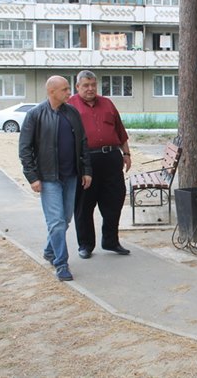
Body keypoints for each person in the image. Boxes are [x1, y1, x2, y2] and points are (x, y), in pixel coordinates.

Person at [19, 76, 92, 281]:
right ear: (52, 92)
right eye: (65, 89)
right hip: (48, 177)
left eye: (69, 89)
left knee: (65, 219)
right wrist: (32, 177)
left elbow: (83, 142)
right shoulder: (35, 115)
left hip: (71, 176)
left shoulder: (72, 113)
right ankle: (61, 264)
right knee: (56, 222)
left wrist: (86, 170)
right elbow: (25, 149)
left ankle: (49, 250)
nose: (69, 93)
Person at [68, 70, 132, 259]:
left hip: (111, 158)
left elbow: (120, 131)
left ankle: (111, 240)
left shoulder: (107, 103)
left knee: (115, 200)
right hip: (85, 161)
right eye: (86, 85)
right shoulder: (70, 106)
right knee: (84, 204)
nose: (90, 89)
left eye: (93, 85)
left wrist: (126, 153)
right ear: (77, 86)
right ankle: (85, 244)